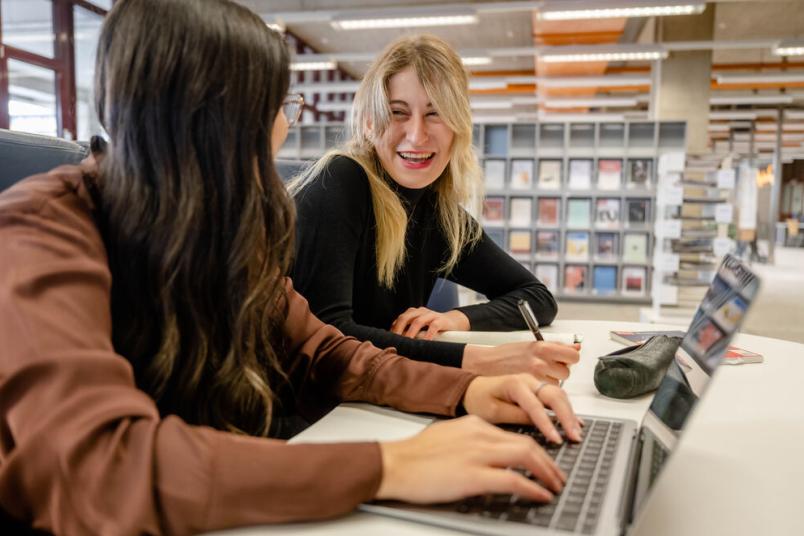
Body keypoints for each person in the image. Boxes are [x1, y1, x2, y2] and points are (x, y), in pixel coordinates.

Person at [0, 1, 583, 533]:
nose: (285, 127)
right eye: (275, 107)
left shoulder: (223, 223)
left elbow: (327, 351)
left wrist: (469, 392)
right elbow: (99, 468)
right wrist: (386, 466)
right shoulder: (40, 229)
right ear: (212, 121)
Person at [290, 34, 580, 383]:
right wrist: (481, 360)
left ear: (458, 127)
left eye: (436, 114)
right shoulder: (340, 181)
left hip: (378, 393)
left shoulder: (438, 214)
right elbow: (331, 338)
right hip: (307, 411)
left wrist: (455, 319)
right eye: (398, 112)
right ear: (369, 123)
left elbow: (536, 297)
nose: (417, 135)